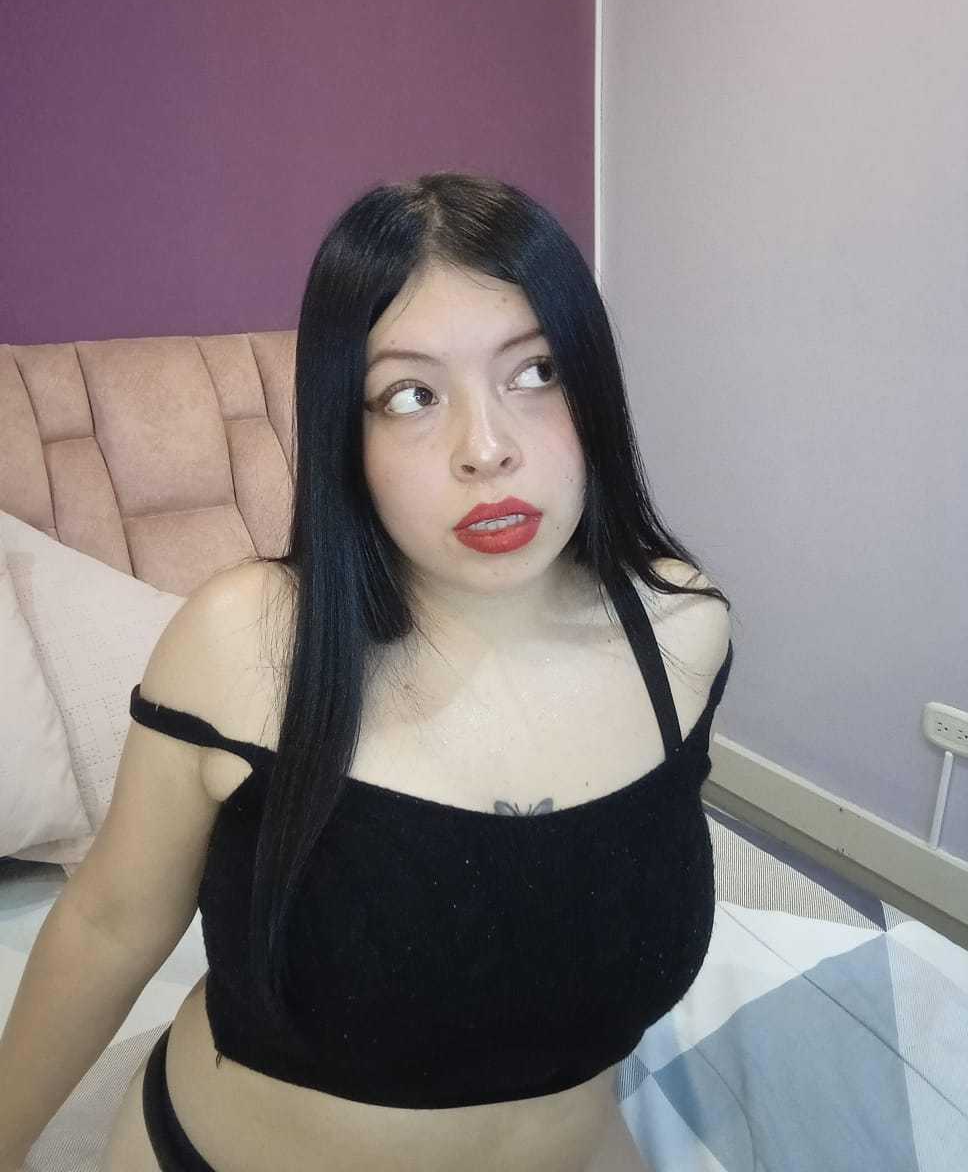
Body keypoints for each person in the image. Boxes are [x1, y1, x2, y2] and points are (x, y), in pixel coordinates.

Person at [0, 172, 733, 1172]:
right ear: (347, 431)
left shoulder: (682, 628)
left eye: (535, 371)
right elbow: (107, 923)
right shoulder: (249, 642)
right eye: (411, 396)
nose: (486, 450)